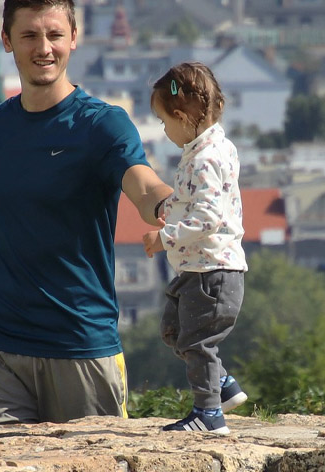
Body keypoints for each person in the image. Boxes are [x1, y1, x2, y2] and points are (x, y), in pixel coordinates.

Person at [0, 0, 173, 429]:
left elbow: (144, 185)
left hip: (80, 346)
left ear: (74, 38)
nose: (44, 47)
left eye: (55, 34)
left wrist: (169, 205)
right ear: (7, 41)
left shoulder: (103, 125)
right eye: (30, 35)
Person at [142, 62, 249, 434]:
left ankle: (209, 415)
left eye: (163, 121)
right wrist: (167, 209)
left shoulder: (205, 159)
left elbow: (208, 218)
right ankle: (222, 385)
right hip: (198, 269)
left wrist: (165, 236)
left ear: (181, 116)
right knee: (175, 332)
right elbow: (194, 200)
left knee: (198, 343)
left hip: (211, 272)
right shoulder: (211, 148)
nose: (164, 130)